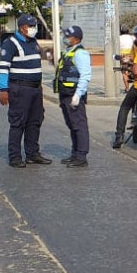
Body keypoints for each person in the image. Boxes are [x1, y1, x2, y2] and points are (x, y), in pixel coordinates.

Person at [0, 14, 52, 168]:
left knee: (35, 121)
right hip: (20, 88)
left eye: (34, 26)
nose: (33, 29)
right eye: (30, 26)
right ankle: (15, 157)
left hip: (35, 88)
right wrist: (3, 90)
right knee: (18, 122)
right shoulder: (10, 44)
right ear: (22, 28)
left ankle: (32, 154)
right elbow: (3, 68)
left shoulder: (33, 42)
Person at [55, 25, 91, 168]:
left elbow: (85, 75)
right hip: (65, 94)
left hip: (73, 94)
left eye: (68, 36)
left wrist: (78, 95)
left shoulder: (80, 53)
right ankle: (75, 153)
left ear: (76, 39)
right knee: (72, 125)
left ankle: (81, 156)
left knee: (79, 126)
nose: (65, 38)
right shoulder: (68, 52)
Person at [118, 25, 135, 90]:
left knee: (124, 73)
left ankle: (127, 88)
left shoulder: (119, 38)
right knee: (133, 71)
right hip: (131, 56)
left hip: (123, 56)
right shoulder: (132, 37)